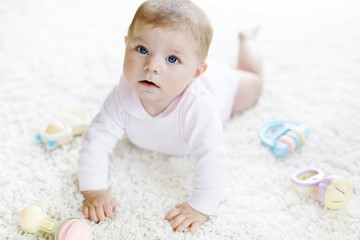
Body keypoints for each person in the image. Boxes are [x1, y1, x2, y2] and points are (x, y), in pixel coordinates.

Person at [78, 0, 262, 234]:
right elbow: (96, 140)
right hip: (191, 73)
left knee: (254, 85)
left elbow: (211, 156)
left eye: (172, 59)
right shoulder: (121, 96)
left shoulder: (199, 106)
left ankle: (248, 40)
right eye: (142, 49)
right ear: (126, 45)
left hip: (225, 89)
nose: (151, 66)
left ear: (195, 73)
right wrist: (94, 190)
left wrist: (201, 207)